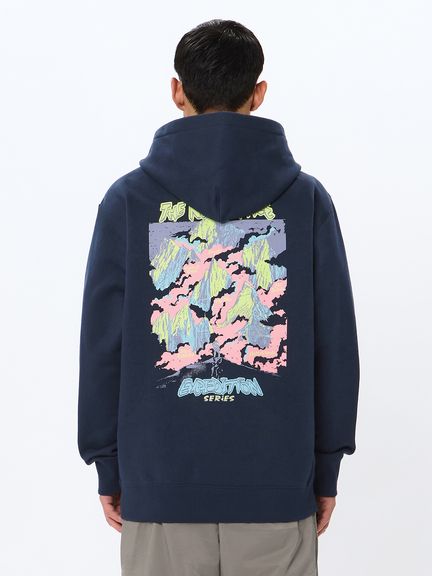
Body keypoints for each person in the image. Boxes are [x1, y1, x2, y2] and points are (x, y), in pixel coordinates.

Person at [77, 18, 360, 576]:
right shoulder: (306, 201)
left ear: (177, 90)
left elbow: (102, 346)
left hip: (160, 486)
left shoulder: (127, 202)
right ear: (258, 94)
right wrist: (325, 468)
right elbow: (335, 344)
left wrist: (108, 464)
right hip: (277, 485)